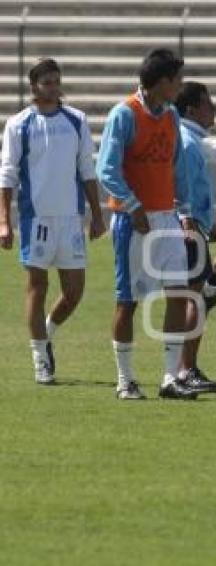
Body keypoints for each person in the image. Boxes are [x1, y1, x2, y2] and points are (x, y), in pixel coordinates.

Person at [97, 48, 197, 400]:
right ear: (162, 82)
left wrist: (185, 213)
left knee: (177, 293)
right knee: (128, 301)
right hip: (132, 220)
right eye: (177, 80)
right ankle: (125, 380)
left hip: (165, 217)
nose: (180, 87)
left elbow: (177, 168)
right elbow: (106, 168)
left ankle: (170, 378)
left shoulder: (170, 117)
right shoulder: (124, 114)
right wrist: (133, 206)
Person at [0, 58, 106, 385]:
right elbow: (7, 174)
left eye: (56, 81)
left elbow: (87, 171)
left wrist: (96, 215)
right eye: (46, 82)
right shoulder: (19, 124)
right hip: (37, 220)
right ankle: (39, 359)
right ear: (34, 87)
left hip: (71, 219)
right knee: (38, 286)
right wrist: (4, 221)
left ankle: (45, 333)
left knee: (74, 291)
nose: (52, 87)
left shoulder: (76, 120)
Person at [173, 80, 216, 393]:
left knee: (195, 296)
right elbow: (184, 190)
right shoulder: (189, 143)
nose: (213, 109)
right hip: (189, 231)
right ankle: (185, 368)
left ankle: (182, 366)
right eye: (208, 103)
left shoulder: (188, 139)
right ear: (192, 108)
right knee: (196, 298)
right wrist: (192, 223)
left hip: (194, 227)